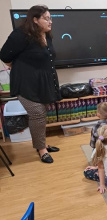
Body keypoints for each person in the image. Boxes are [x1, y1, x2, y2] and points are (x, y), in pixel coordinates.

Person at [0, 5, 61, 163]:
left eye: (51, 18)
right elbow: (4, 55)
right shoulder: (21, 35)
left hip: (43, 82)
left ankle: (42, 144)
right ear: (35, 19)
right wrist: (17, 67)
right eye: (46, 18)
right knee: (37, 114)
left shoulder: (46, 35)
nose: (50, 21)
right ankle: (41, 150)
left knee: (41, 114)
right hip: (26, 83)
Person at [83, 125, 107, 194]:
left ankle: (105, 181)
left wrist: (102, 185)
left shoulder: (98, 149)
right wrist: (96, 167)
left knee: (86, 172)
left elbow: (101, 168)